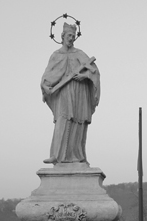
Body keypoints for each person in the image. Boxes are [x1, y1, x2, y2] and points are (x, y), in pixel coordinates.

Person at [40, 23, 100, 164]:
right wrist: (45, 86)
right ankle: (57, 155)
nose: (71, 38)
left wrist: (84, 77)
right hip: (63, 91)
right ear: (62, 36)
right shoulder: (56, 55)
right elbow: (48, 75)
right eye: (69, 35)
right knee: (63, 119)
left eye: (73, 36)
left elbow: (94, 71)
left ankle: (76, 156)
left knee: (77, 122)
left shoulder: (79, 54)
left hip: (79, 92)